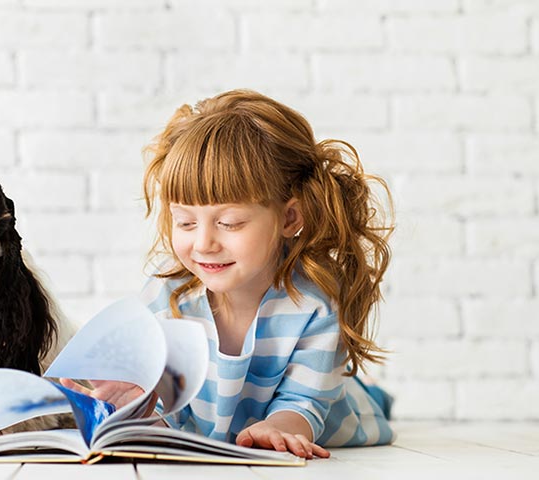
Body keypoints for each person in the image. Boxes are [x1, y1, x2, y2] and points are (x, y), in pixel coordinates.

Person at [63, 89, 395, 459]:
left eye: (229, 223)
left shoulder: (313, 304)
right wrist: (137, 409)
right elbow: (170, 418)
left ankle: (373, 391)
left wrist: (278, 428)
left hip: (332, 413)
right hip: (215, 425)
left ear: (289, 218)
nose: (204, 243)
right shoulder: (164, 298)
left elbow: (305, 403)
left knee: (360, 396)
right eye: (185, 222)